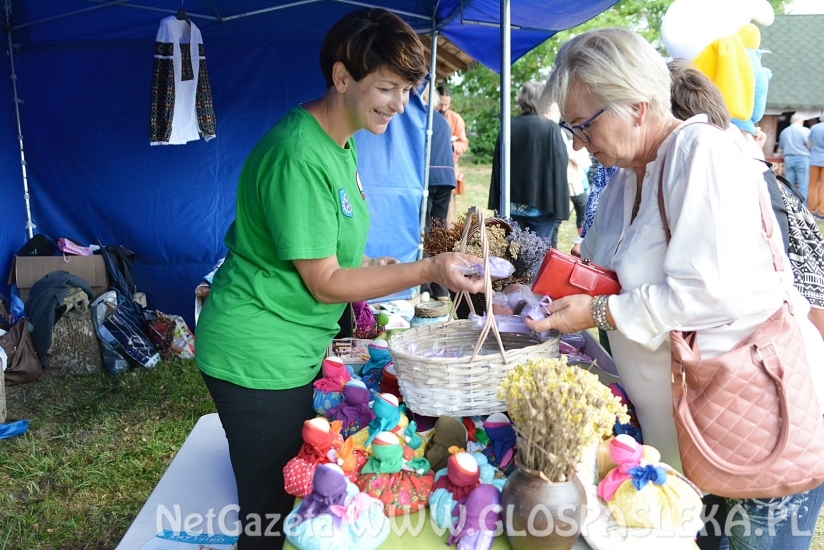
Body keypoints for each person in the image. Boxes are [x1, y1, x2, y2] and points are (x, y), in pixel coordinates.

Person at [194, 10, 484, 549]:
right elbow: (325, 282)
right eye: (387, 87)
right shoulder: (299, 153)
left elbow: (326, 251)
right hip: (257, 353)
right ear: (342, 76)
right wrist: (426, 270)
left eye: (407, 90)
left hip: (289, 347)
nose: (399, 104)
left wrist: (374, 268)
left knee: (298, 492)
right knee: (270, 513)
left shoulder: (339, 140)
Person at [527, 28, 824, 550]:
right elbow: (597, 267)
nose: (577, 143)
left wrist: (597, 313)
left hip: (749, 423)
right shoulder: (625, 175)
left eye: (584, 125)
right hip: (687, 437)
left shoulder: (702, 152)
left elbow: (708, 293)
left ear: (637, 106)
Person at [487, 81, 569, 248]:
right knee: (537, 256)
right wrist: (561, 208)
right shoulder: (551, 128)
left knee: (512, 254)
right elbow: (560, 166)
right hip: (542, 205)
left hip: (510, 205)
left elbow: (498, 165)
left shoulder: (507, 126)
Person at [421, 85, 456, 300]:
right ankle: (441, 288)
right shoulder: (442, 119)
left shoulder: (419, 119)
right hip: (446, 178)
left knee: (424, 230)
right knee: (438, 230)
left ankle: (424, 287)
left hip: (427, 178)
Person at [547, 101, 590, 236]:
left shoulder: (560, 128)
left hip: (574, 178)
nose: (558, 113)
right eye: (555, 109)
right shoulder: (554, 129)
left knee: (582, 211)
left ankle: (582, 238)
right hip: (564, 180)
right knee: (558, 217)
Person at [436, 84, 469, 198]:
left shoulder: (456, 119)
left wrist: (452, 146)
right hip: (431, 168)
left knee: (448, 205)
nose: (443, 108)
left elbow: (463, 143)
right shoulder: (428, 116)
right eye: (441, 104)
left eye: (446, 104)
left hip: (450, 167)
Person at [779, 112, 811, 203]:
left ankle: (788, 205)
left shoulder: (784, 131)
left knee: (789, 184)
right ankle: (801, 208)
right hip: (802, 158)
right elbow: (809, 146)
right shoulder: (805, 131)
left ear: (791, 120)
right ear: (802, 120)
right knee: (803, 185)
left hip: (788, 158)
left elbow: (780, 148)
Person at [808, 113, 824, 218]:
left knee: (813, 186)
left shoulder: (814, 127)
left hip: (814, 160)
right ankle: (822, 212)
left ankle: (812, 210)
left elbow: (809, 145)